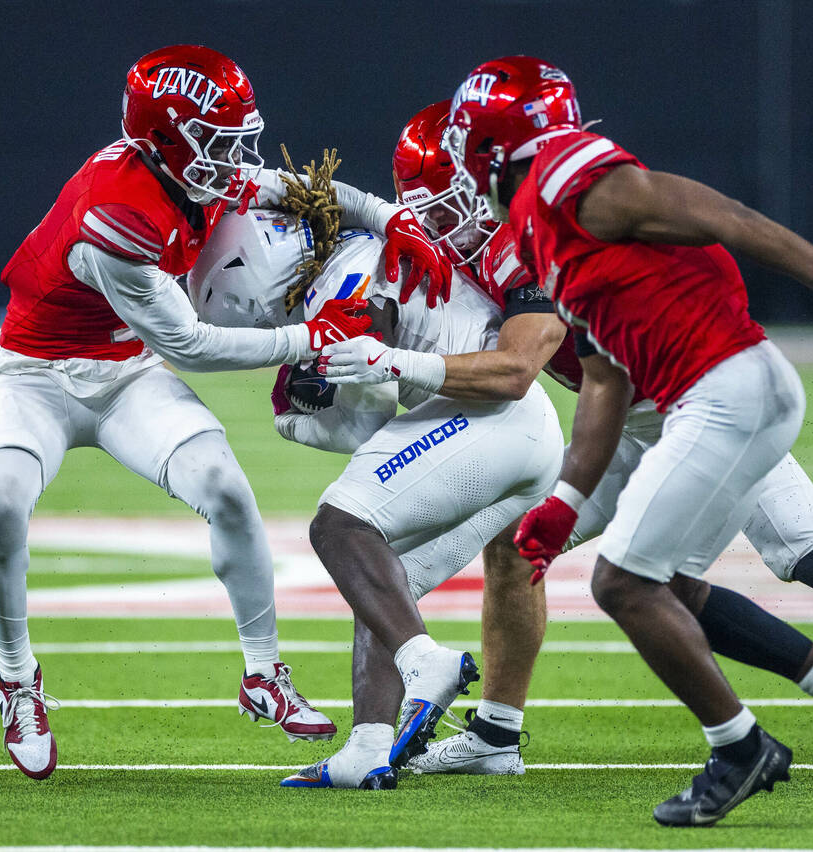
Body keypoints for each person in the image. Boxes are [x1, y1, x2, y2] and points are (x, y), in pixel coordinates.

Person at [329, 100, 813, 789]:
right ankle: (496, 734)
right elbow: (596, 370)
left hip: (702, 396)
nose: (449, 227)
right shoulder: (509, 233)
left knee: (790, 550)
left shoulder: (556, 211)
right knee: (525, 553)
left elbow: (523, 361)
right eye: (431, 211)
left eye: (453, 202)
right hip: (634, 411)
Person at [435, 55, 813, 827]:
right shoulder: (537, 232)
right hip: (711, 397)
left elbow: (723, 214)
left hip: (725, 390)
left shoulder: (566, 175)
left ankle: (740, 747)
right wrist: (565, 499)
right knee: (674, 589)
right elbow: (604, 379)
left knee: (621, 584)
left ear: (493, 146)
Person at [0, 44, 450, 780]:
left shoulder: (194, 172)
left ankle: (264, 673)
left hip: (125, 373)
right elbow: (188, 344)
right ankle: (16, 676)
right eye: (221, 143)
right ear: (166, 139)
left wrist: (394, 222)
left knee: (226, 490)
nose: (237, 159)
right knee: (2, 504)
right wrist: (307, 338)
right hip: (35, 377)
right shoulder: (117, 215)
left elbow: (304, 191)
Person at [185, 192, 563, 789]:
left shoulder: (343, 284)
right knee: (383, 576)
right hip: (520, 434)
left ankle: (426, 663)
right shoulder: (353, 255)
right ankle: (367, 749)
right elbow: (365, 415)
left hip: (491, 417)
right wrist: (308, 395)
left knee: (340, 526)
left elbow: (367, 419)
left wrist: (311, 397)